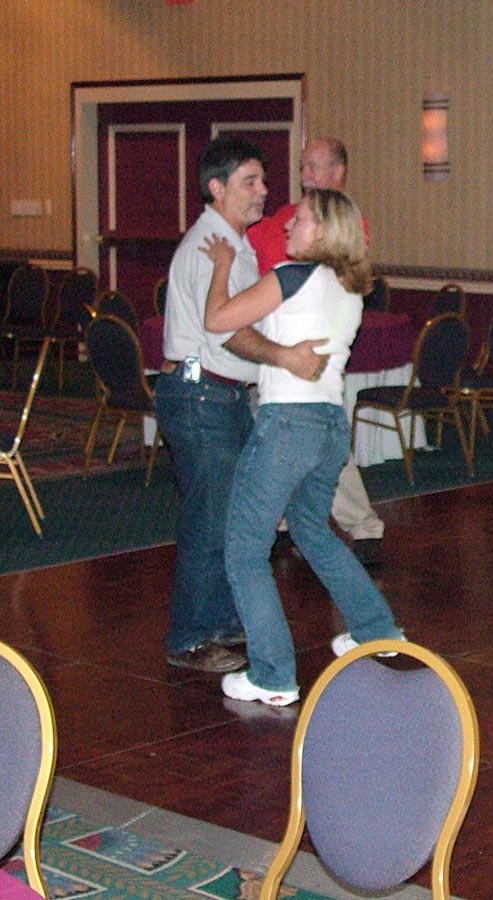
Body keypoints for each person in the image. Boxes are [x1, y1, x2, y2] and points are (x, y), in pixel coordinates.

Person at [203, 188, 406, 707]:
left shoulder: (291, 277)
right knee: (312, 530)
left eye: (301, 218)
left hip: (288, 425)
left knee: (244, 549)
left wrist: (222, 266)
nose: (289, 224)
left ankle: (273, 676)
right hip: (329, 426)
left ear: (324, 230)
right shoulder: (350, 291)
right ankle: (376, 628)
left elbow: (219, 320)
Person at [156, 136, 328, 674]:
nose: (263, 191)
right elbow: (227, 331)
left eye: (262, 180)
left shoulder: (233, 243)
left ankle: (219, 621)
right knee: (210, 520)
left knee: (226, 517)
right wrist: (284, 357)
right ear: (217, 188)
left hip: (217, 395)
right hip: (200, 395)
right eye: (249, 182)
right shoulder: (210, 247)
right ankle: (191, 638)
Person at [249, 137, 385, 567]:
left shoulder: (346, 223)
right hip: (274, 343)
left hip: (312, 353)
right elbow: (255, 248)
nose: (304, 175)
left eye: (313, 166)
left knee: (319, 444)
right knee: (290, 445)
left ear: (337, 173)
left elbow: (310, 273)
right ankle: (284, 524)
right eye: (302, 167)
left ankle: (362, 526)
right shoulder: (288, 218)